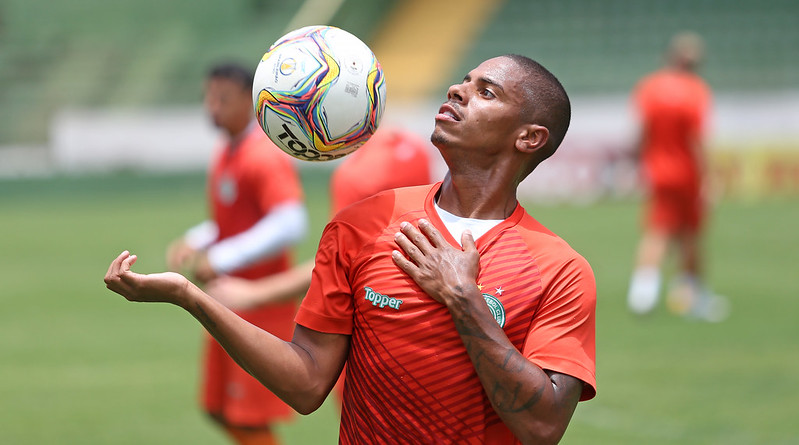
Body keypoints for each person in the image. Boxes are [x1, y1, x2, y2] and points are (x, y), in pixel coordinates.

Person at [106, 54, 597, 444]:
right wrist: (190, 296)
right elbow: (306, 383)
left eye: (485, 91)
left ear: (529, 137)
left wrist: (464, 300)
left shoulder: (560, 270)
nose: (457, 90)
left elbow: (542, 428)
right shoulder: (361, 225)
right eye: (464, 81)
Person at [165, 62, 308, 445]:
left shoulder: (263, 155)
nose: (212, 106)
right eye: (208, 98)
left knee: (246, 418)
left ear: (250, 100)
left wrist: (225, 256)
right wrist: (199, 238)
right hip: (227, 303)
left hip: (260, 307)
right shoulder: (228, 149)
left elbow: (290, 222)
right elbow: (239, 218)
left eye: (223, 98)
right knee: (217, 409)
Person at [204, 126, 434, 311]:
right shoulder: (409, 144)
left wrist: (254, 294)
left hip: (379, 312)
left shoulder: (357, 175)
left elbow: (337, 264)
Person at [626, 32, 729, 321]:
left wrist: (636, 162)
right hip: (687, 174)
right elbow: (698, 139)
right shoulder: (696, 91)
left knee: (658, 229)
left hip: (658, 171)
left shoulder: (649, 87)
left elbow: (641, 132)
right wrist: (709, 177)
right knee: (690, 236)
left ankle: (643, 293)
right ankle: (691, 294)